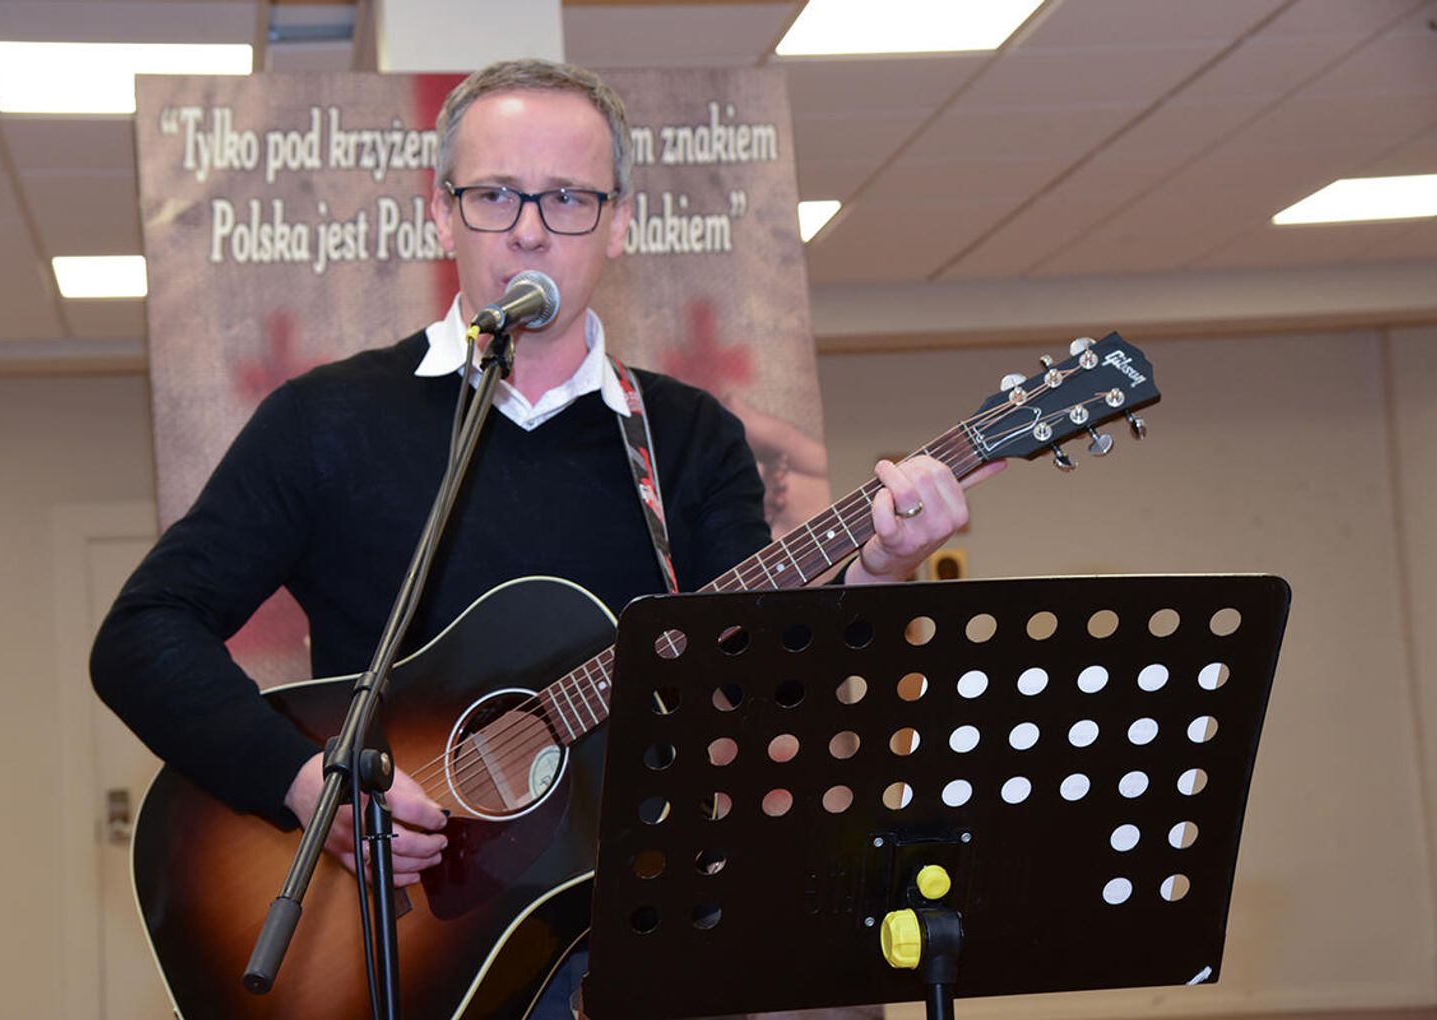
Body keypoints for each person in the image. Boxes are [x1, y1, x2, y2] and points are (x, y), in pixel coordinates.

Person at [92, 58, 998, 1019]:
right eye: (494, 194)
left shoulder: (686, 436)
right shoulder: (327, 421)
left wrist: (879, 568)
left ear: (619, 223)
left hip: (644, 941)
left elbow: (767, 697)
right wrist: (302, 779)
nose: (528, 228)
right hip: (407, 945)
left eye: (567, 197)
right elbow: (144, 633)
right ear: (442, 214)